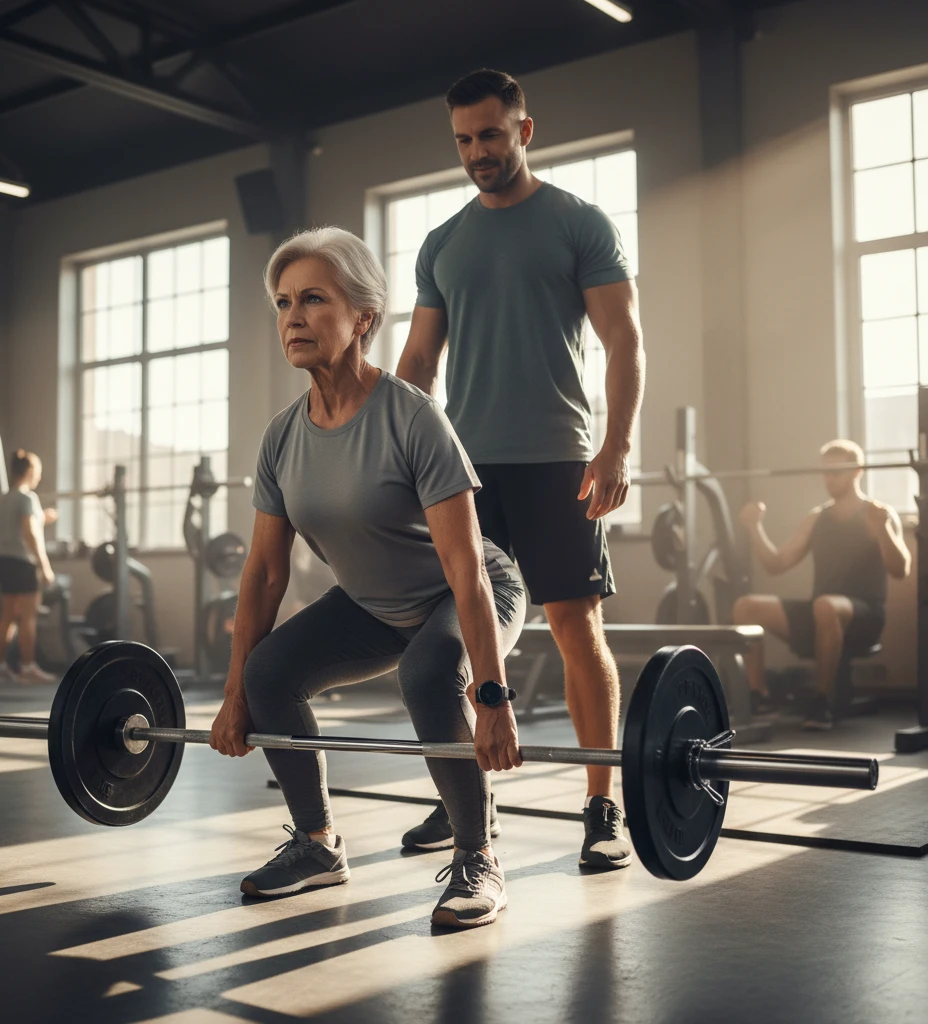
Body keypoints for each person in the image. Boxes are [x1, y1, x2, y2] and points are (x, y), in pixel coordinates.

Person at [209, 227, 526, 929]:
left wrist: (494, 697)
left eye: (314, 299)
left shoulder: (414, 418)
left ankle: (478, 855)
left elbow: (465, 567)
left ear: (363, 319)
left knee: (427, 673)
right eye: (284, 302)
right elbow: (263, 575)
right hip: (374, 605)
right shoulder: (283, 438)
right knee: (269, 675)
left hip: (469, 590)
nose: (292, 316)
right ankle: (318, 845)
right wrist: (234, 695)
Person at [394, 69, 644, 869]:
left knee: (575, 629)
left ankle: (602, 806)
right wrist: (391, 454)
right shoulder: (443, 243)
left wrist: (617, 446)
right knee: (458, 639)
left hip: (558, 462)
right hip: (465, 470)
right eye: (464, 140)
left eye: (491, 136)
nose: (477, 153)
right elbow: (418, 361)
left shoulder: (579, 224)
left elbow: (625, 341)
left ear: (524, 132)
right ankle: (466, 799)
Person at [734, 439, 911, 730]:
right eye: (825, 472)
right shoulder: (817, 517)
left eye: (837, 472)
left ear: (857, 471)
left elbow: (900, 569)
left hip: (864, 617)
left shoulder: (877, 514)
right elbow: (776, 564)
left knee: (826, 605)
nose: (829, 479)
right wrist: (754, 528)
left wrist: (882, 530)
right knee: (746, 607)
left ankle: (822, 702)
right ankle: (759, 696)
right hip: (820, 612)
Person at [0, 450, 58, 685]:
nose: (38, 476)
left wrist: (41, 518)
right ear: (30, 471)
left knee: (7, 615)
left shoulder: (5, 498)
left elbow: (20, 526)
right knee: (27, 617)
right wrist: (45, 566)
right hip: (22, 562)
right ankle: (28, 667)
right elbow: (30, 534)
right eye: (37, 471)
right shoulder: (27, 498)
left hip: (3, 561)